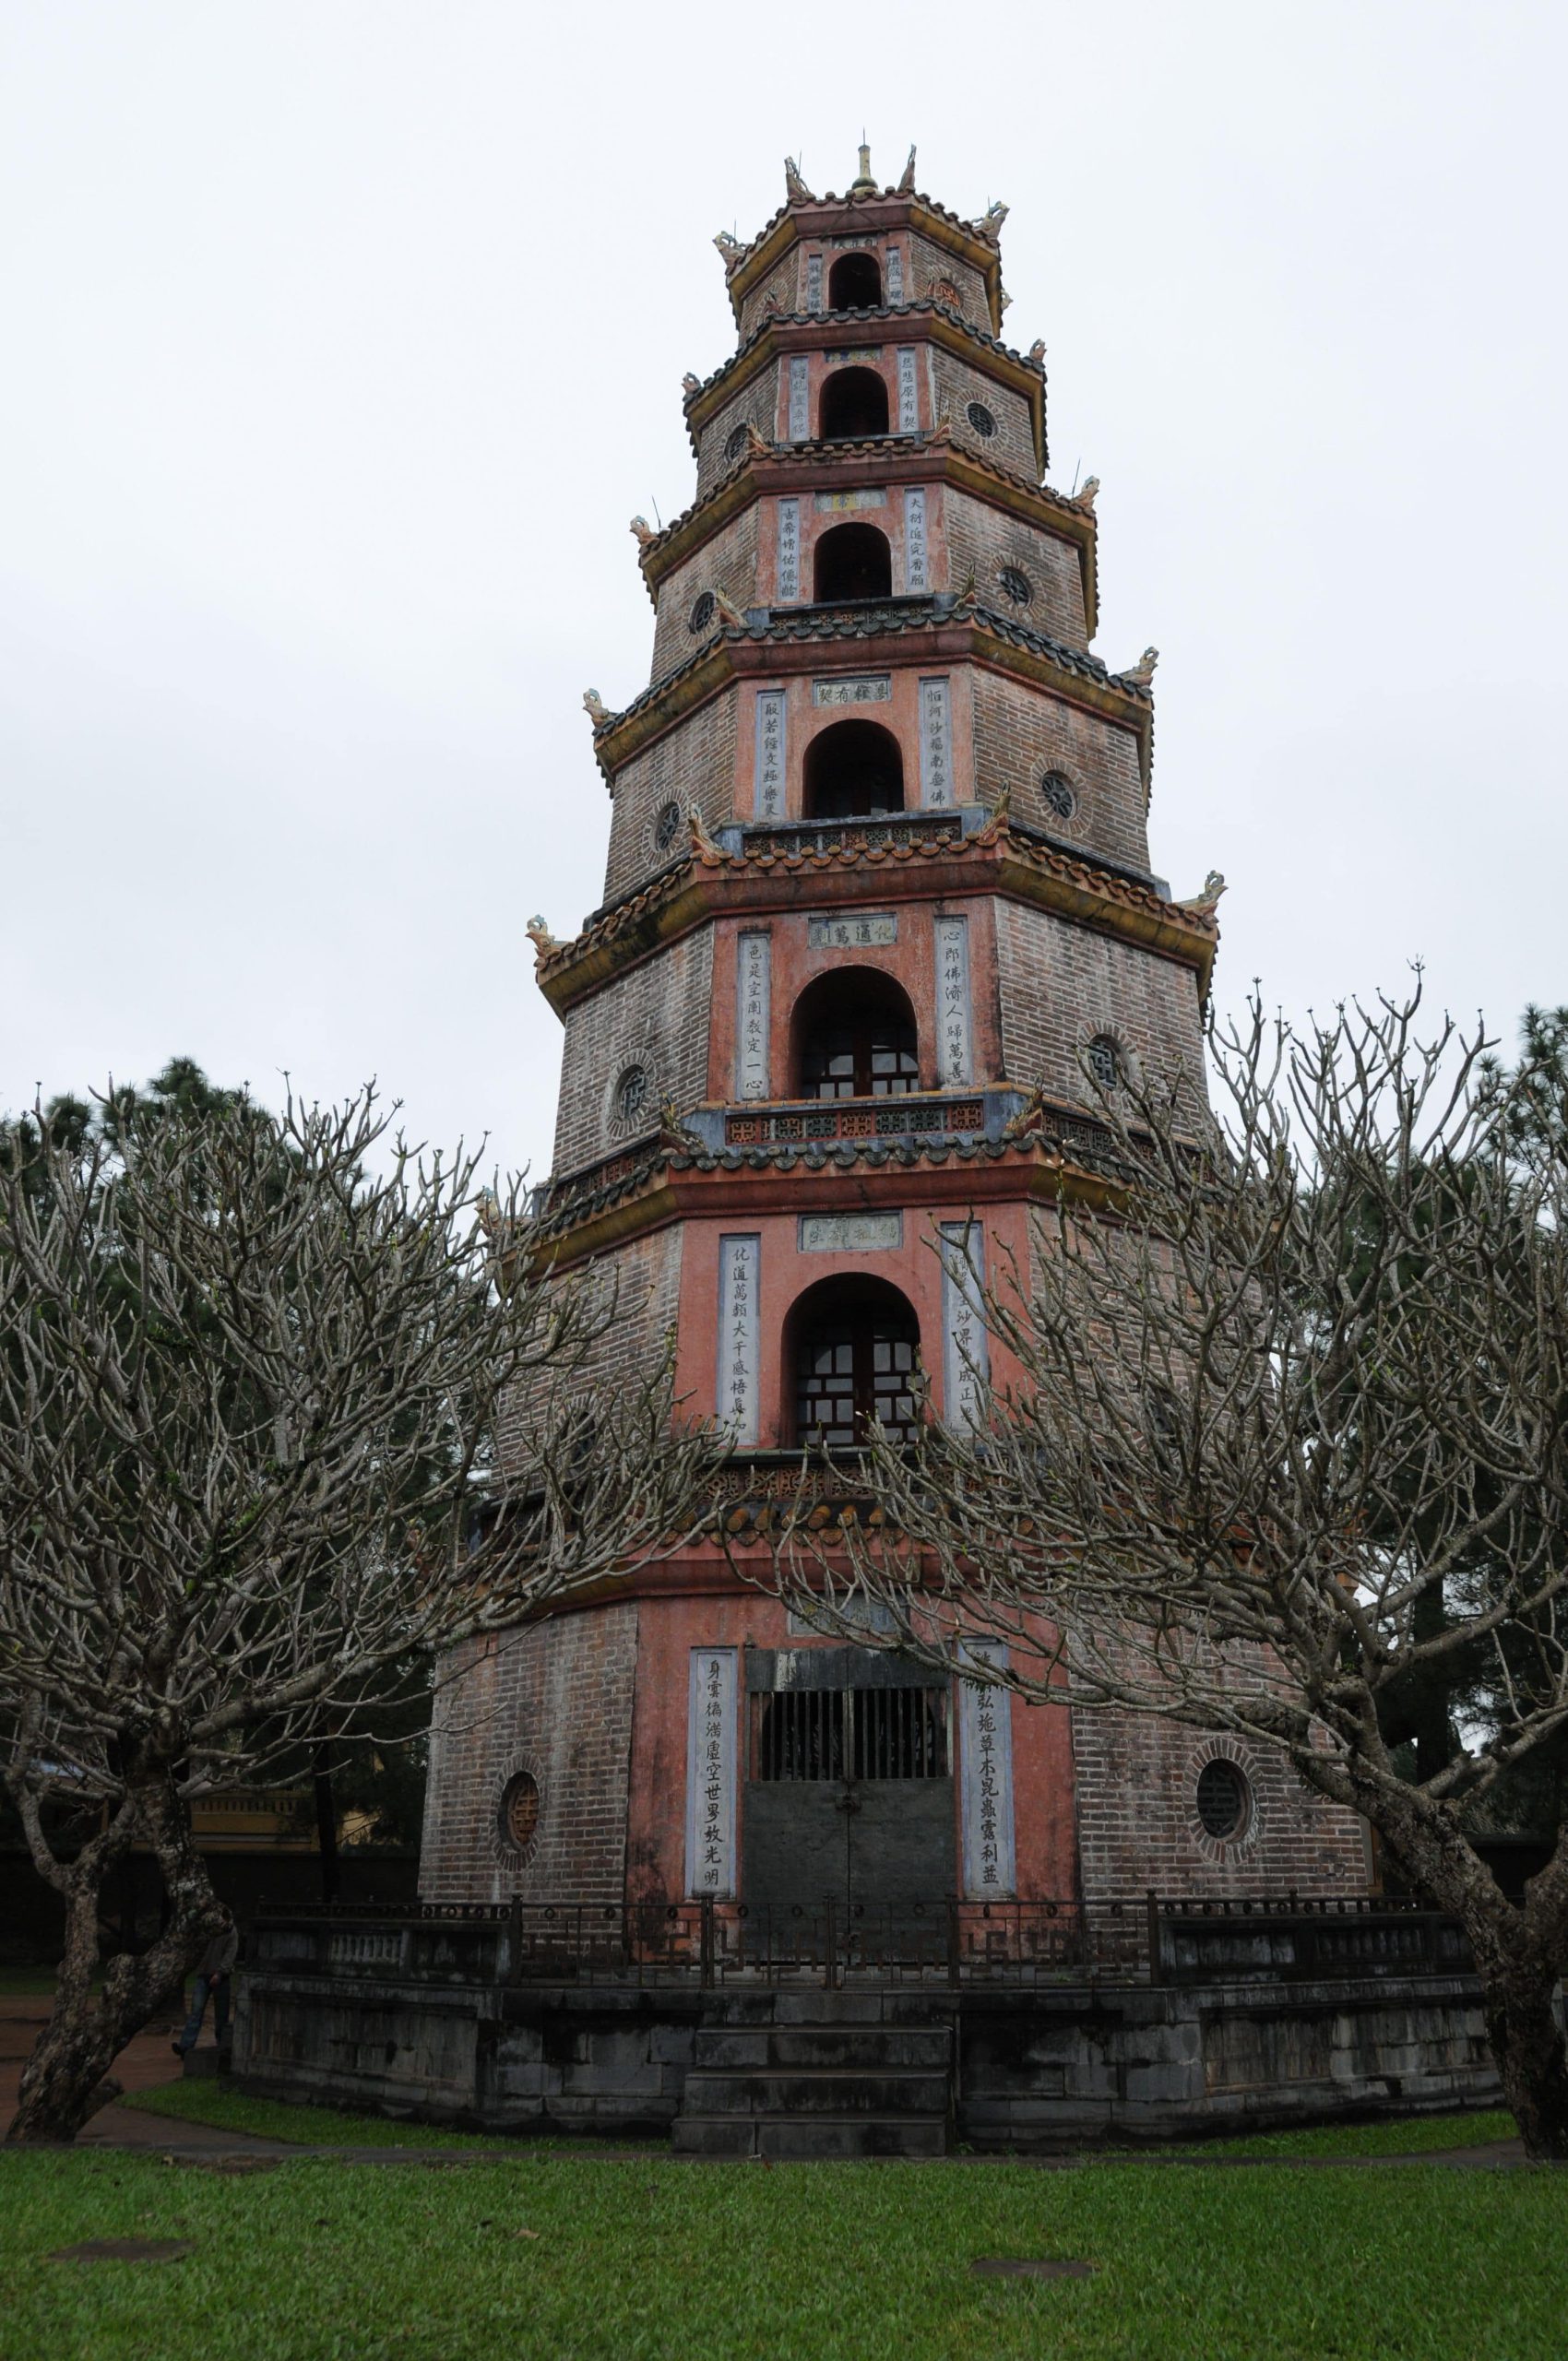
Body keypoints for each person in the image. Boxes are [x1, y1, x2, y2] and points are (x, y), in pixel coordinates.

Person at [172, 1914, 238, 2058]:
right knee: (196, 2012)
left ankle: (222, 2046)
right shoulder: (208, 1929)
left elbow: (230, 1954)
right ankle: (186, 2046)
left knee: (221, 2015)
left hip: (221, 1977)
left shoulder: (231, 1932)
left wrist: (220, 1973)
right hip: (204, 1974)